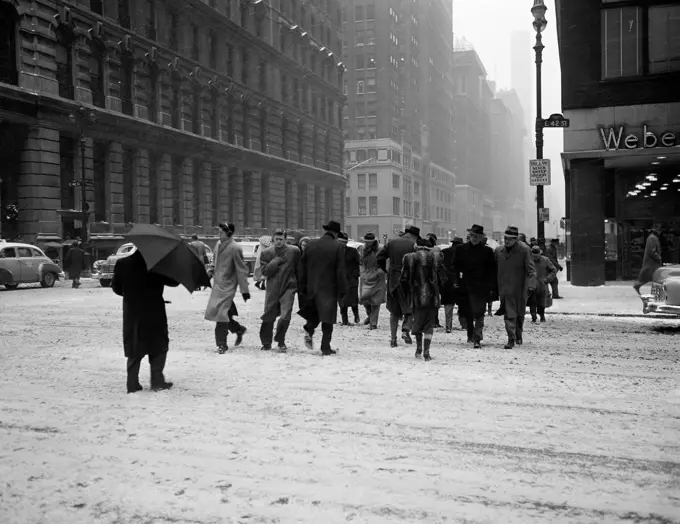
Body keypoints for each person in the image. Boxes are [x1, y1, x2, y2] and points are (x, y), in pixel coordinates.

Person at [112, 249, 178, 393]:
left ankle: (132, 383)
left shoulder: (122, 263)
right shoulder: (158, 265)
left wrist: (131, 294)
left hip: (133, 312)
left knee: (134, 345)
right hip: (154, 311)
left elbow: (116, 288)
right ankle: (157, 381)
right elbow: (174, 282)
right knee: (159, 345)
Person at [298, 220, 347, 355]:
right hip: (329, 288)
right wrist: (343, 290)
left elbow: (302, 267)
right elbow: (340, 271)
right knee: (327, 318)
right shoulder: (338, 247)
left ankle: (309, 328)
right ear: (336, 233)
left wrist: (301, 286)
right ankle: (325, 347)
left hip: (311, 286)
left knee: (314, 313)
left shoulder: (310, 244)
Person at [205, 222, 250, 354]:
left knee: (221, 315)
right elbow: (215, 262)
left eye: (221, 232)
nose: (218, 234)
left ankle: (221, 344)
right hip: (217, 285)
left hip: (228, 287)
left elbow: (241, 270)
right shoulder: (218, 245)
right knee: (223, 313)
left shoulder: (235, 248)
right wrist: (209, 273)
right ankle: (239, 329)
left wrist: (244, 291)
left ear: (229, 232)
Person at [400, 239, 447, 361]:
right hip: (433, 297)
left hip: (416, 296)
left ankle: (419, 348)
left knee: (418, 322)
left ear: (416, 246)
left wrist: (407, 293)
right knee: (429, 324)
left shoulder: (409, 258)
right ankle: (427, 351)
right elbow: (444, 278)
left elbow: (403, 279)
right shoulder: (437, 257)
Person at [453, 225, 497, 348]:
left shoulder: (487, 252)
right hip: (465, 285)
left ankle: (477, 337)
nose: (474, 238)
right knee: (467, 313)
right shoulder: (461, 249)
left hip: (480, 287)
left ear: (481, 237)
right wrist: (456, 280)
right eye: (472, 235)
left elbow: (492, 271)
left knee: (479, 313)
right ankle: (470, 334)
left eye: (476, 236)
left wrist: (491, 287)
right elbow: (454, 266)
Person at [257, 229, 300, 352]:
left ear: (285, 239)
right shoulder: (266, 252)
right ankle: (266, 342)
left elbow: (299, 268)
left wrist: (299, 285)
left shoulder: (294, 251)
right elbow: (265, 272)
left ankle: (281, 341)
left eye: (281, 239)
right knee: (268, 315)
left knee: (286, 314)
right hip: (273, 288)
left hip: (289, 287)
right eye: (277, 239)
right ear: (273, 239)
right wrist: (275, 262)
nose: (279, 242)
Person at [377, 226, 419, 348]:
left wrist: (384, 269)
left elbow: (380, 257)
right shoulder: (414, 245)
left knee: (394, 311)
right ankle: (406, 329)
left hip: (393, 279)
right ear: (414, 236)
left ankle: (393, 339)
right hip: (409, 279)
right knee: (410, 307)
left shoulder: (392, 242)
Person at [495, 226, 536, 349]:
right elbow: (494, 269)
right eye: (505, 238)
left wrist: (531, 285)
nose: (507, 241)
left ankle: (518, 334)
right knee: (508, 314)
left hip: (520, 288)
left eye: (510, 239)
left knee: (519, 314)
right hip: (505, 289)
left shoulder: (524, 250)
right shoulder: (498, 251)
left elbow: (531, 270)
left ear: (516, 239)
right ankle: (511, 338)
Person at [359, 232, 386, 329]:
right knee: (364, 299)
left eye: (369, 242)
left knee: (375, 301)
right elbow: (361, 262)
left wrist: (381, 271)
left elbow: (386, 261)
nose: (367, 243)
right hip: (366, 276)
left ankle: (373, 323)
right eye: (366, 242)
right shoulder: (362, 248)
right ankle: (370, 315)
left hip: (378, 276)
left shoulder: (381, 249)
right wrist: (362, 272)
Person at [441, 235, 466, 333]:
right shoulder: (463, 253)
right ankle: (464, 324)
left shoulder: (444, 252)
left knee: (448, 305)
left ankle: (448, 326)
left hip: (447, 281)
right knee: (463, 305)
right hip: (460, 281)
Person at [529, 245, 557, 323]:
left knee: (542, 303)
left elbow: (553, 270)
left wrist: (547, 279)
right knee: (532, 302)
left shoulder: (545, 260)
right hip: (532, 285)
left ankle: (542, 316)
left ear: (539, 254)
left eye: (536, 256)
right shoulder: (528, 260)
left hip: (542, 285)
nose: (535, 257)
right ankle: (533, 317)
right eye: (533, 256)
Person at [337, 232, 361, 325]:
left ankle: (356, 315)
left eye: (343, 242)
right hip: (339, 280)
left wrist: (355, 275)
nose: (342, 244)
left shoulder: (353, 251)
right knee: (342, 301)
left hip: (351, 279)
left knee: (353, 299)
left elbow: (358, 263)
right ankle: (345, 320)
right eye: (340, 242)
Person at [633, 224, 662, 295]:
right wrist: (659, 257)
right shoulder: (653, 238)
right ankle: (657, 294)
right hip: (652, 264)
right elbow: (652, 251)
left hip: (651, 263)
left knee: (650, 279)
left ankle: (657, 294)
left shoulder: (653, 237)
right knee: (657, 279)